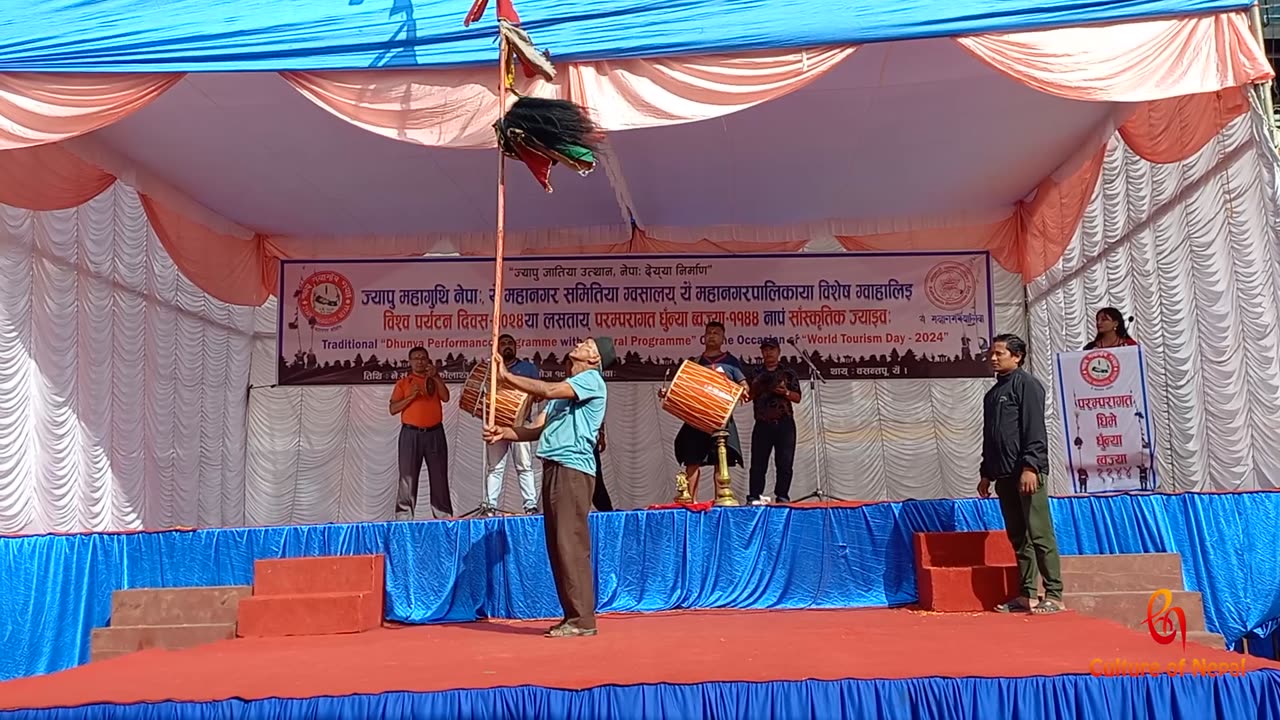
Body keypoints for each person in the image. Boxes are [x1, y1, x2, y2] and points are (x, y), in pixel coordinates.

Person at [484, 336, 616, 638]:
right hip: (555, 467)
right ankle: (573, 616)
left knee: (571, 543)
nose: (581, 343)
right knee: (558, 546)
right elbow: (537, 427)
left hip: (573, 469)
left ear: (594, 359)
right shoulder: (566, 389)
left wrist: (506, 377)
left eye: (588, 344)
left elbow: (544, 389)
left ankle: (583, 620)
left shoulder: (592, 381)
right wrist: (505, 432)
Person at [978, 334, 1065, 615]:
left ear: (1017, 356)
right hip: (1003, 474)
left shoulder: (1027, 385)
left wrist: (1031, 466)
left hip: (1026, 473)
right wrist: (986, 473)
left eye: (999, 353)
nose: (993, 358)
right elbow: (990, 437)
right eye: (991, 353)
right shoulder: (992, 394)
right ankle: (1027, 593)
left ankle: (1053, 593)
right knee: (1018, 536)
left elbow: (1035, 430)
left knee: (1039, 532)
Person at [660, 321, 750, 501]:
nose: (712, 335)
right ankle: (689, 502)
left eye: (716, 333)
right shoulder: (694, 363)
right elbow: (683, 388)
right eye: (709, 332)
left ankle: (720, 502)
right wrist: (667, 393)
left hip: (720, 419)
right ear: (704, 337)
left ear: (723, 338)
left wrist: (743, 391)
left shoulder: (731, 362)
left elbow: (744, 386)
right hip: (697, 418)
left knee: (720, 462)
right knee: (692, 461)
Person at [389, 346, 452, 520]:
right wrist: (410, 398)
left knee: (439, 476)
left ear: (428, 360)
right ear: (410, 362)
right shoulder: (403, 383)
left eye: (423, 358)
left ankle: (443, 517)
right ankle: (404, 518)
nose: (420, 361)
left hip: (435, 433)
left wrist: (436, 377)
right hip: (410, 434)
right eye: (416, 358)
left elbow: (446, 397)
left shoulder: (434, 379)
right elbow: (392, 409)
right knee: (407, 477)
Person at [481, 334, 541, 516]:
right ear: (497, 348)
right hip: (497, 426)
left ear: (516, 347)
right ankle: (489, 506)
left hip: (521, 426)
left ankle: (530, 505)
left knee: (524, 466)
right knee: (495, 468)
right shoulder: (490, 369)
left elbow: (539, 394)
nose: (507, 346)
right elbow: (481, 395)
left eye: (510, 343)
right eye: (503, 343)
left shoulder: (528, 368)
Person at [747, 338, 801, 504]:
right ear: (762, 352)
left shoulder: (788, 373)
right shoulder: (755, 373)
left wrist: (785, 392)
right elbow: (747, 396)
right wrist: (758, 386)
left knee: (784, 462)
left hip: (784, 423)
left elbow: (797, 397)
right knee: (758, 464)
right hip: (763, 423)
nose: (768, 353)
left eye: (772, 349)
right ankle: (754, 496)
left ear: (779, 351)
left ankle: (782, 495)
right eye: (765, 350)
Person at [592, 428, 615, 512]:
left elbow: (600, 415)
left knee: (596, 481)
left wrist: (601, 434)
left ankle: (608, 514)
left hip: (588, 444)